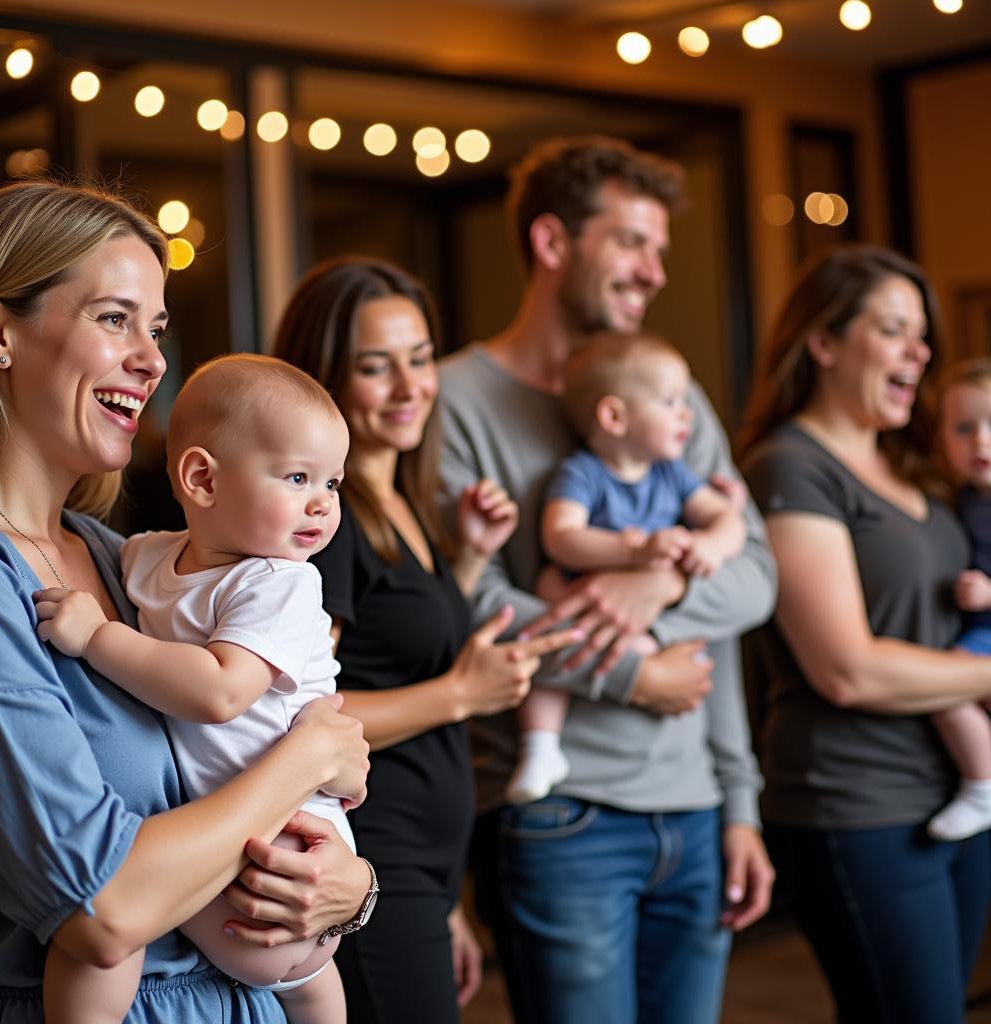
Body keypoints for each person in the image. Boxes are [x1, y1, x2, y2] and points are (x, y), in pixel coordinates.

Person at [0, 180, 371, 1024]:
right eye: (115, 318)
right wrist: (306, 759)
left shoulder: (125, 562)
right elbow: (103, 908)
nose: (152, 358)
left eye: (154, 328)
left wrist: (349, 888)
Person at [439, 135, 776, 1024]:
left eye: (660, 249)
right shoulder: (456, 399)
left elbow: (752, 581)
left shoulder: (673, 395)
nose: (655, 271)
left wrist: (739, 799)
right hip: (562, 817)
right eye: (632, 242)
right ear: (554, 244)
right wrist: (631, 671)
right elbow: (467, 601)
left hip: (697, 807)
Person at [272, 255, 581, 1024]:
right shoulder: (328, 522)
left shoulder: (395, 501)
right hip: (372, 852)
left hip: (418, 870)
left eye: (419, 359)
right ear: (324, 378)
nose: (412, 387)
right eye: (378, 367)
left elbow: (394, 639)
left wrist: (467, 559)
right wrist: (461, 695)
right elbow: (300, 709)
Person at [35, 354, 365, 1023]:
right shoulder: (146, 555)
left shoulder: (281, 582)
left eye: (332, 481)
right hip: (262, 885)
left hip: (278, 860)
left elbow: (219, 692)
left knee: (104, 934)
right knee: (312, 986)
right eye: (298, 477)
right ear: (201, 478)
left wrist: (96, 637)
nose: (323, 503)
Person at [740, 244, 991, 1023]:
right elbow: (847, 668)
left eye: (922, 334)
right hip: (858, 803)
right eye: (892, 329)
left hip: (958, 793)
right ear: (823, 342)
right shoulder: (791, 467)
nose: (919, 351)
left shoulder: (920, 468)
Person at [506, 332, 746, 804]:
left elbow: (727, 520)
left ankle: (650, 678)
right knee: (547, 614)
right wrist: (632, 550)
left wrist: (712, 546)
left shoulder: (671, 473)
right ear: (614, 416)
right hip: (584, 591)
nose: (687, 414)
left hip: (652, 614)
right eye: (671, 401)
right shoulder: (584, 473)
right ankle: (541, 746)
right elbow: (562, 537)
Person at [925, 359, 991, 840]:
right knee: (947, 689)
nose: (980, 441)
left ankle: (981, 787)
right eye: (964, 428)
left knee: (945, 683)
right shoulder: (959, 499)